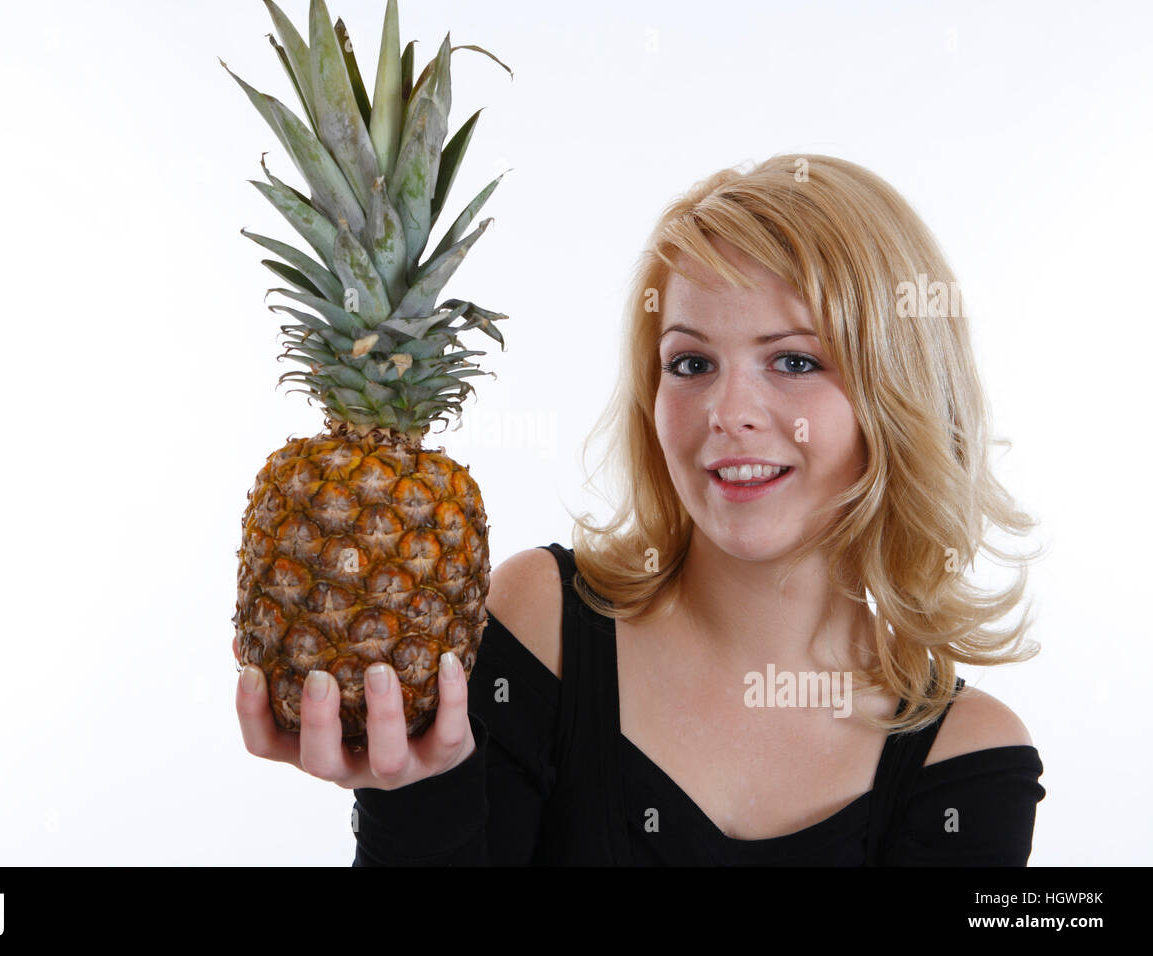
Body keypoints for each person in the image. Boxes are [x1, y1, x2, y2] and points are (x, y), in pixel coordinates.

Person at [234, 153, 1046, 865]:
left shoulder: (967, 759)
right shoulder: (543, 623)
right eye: (690, 363)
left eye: (794, 361)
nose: (728, 413)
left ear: (898, 393)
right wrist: (412, 801)